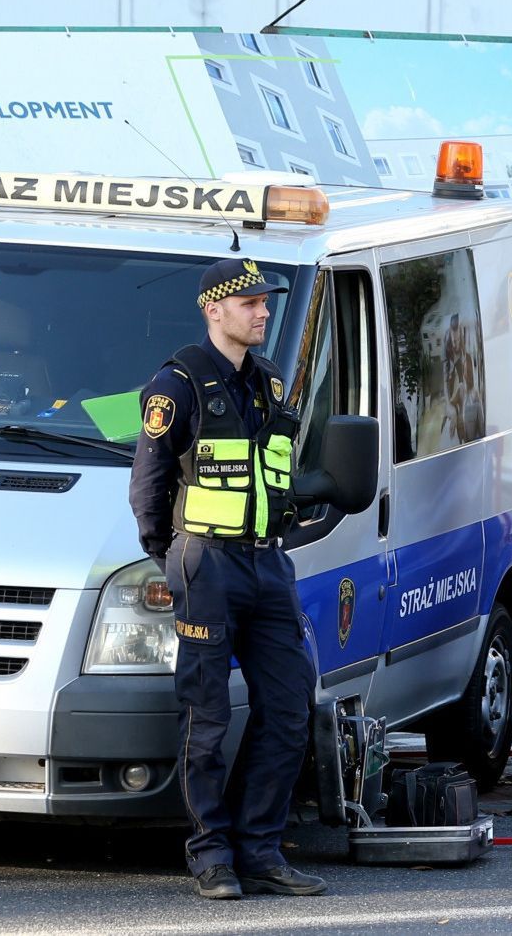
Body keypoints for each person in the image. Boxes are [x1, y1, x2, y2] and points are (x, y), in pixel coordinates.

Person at [128, 257, 321, 902]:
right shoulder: (176, 383)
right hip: (205, 562)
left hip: (268, 563)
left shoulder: (268, 382)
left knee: (291, 708)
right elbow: (150, 488)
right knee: (206, 715)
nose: (263, 311)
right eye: (250, 303)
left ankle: (261, 850)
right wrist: (175, 557)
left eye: (265, 302)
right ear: (214, 309)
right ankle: (211, 853)